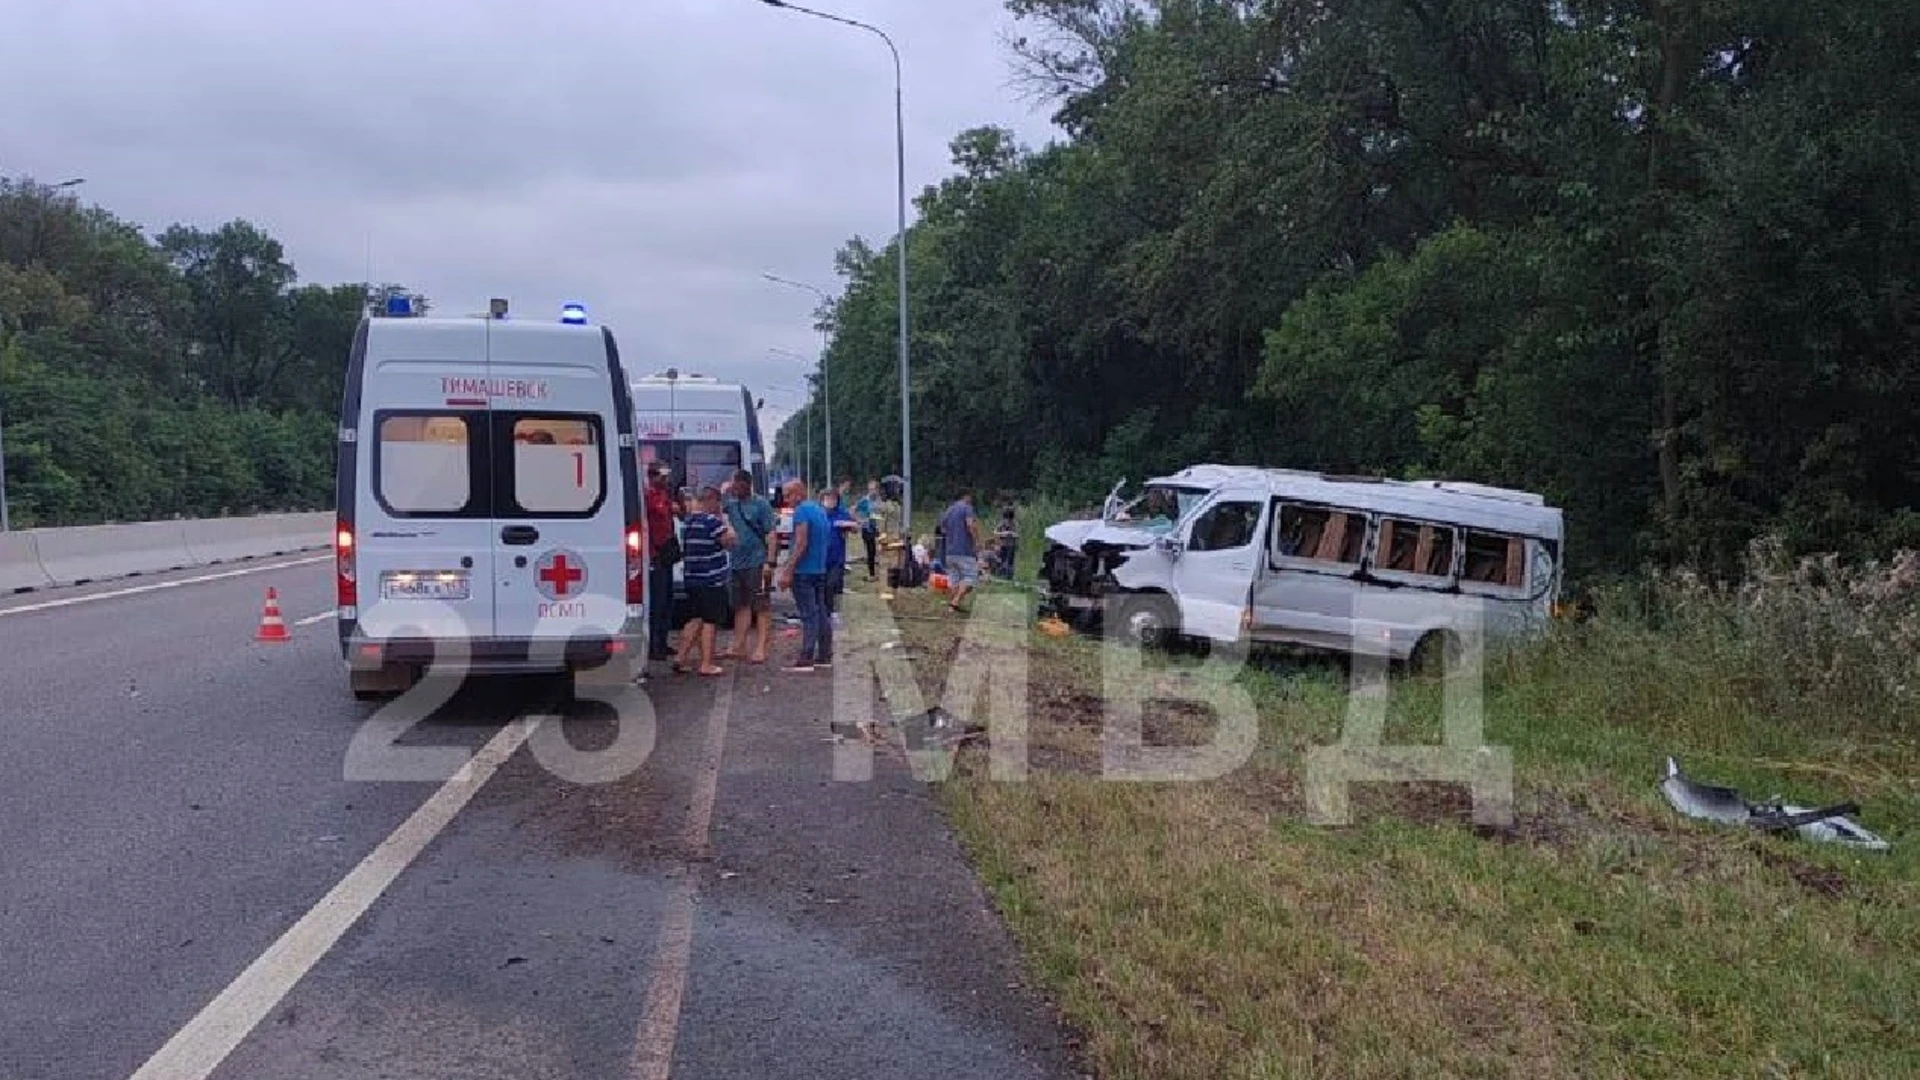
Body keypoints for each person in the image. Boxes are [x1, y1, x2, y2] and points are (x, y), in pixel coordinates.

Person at [673, 486, 733, 676]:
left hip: (691, 577)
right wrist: (726, 521)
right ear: (712, 500)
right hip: (710, 579)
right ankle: (707, 664)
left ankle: (680, 658)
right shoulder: (712, 522)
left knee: (694, 619)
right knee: (709, 621)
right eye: (718, 502)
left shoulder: (689, 522)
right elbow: (730, 542)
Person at [775, 478, 832, 671]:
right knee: (821, 612)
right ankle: (824, 654)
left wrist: (787, 570)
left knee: (808, 614)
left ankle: (806, 655)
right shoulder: (819, 510)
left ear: (799, 493)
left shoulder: (800, 512)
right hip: (819, 569)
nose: (786, 499)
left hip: (803, 571)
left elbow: (801, 543)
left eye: (788, 494)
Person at [722, 468, 776, 664]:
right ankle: (739, 645)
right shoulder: (731, 503)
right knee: (741, 605)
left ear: (745, 484)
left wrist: (770, 562)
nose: (734, 488)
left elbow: (771, 534)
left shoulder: (760, 504)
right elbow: (714, 505)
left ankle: (761, 647)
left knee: (760, 606)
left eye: (736, 484)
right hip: (737, 563)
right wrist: (725, 490)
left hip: (757, 562)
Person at [643, 461, 679, 660]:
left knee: (667, 601)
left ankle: (663, 642)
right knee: (656, 603)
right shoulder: (647, 497)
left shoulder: (665, 495)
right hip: (654, 555)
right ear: (652, 476)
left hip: (666, 554)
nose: (666, 480)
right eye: (662, 477)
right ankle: (653, 645)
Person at [938, 490, 983, 613]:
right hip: (964, 550)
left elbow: (942, 528)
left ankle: (952, 606)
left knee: (955, 579)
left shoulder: (949, 510)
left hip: (949, 551)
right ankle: (955, 602)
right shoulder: (967, 508)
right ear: (966, 496)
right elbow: (970, 525)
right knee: (970, 578)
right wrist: (976, 541)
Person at [821, 486, 860, 621]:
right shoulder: (819, 514)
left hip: (837, 557)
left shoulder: (841, 513)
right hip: (821, 557)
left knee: (834, 584)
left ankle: (835, 611)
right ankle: (825, 611)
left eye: (833, 499)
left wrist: (846, 524)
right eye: (827, 498)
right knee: (823, 586)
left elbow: (855, 527)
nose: (830, 501)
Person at [854, 479, 881, 581]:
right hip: (867, 529)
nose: (872, 491)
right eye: (870, 489)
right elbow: (853, 510)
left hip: (878, 528)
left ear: (878, 490)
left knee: (880, 551)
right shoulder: (864, 501)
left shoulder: (880, 501)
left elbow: (882, 514)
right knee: (871, 551)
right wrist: (860, 521)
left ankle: (881, 572)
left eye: (874, 489)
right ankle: (872, 574)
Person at [994, 503, 1018, 579]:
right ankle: (1001, 574)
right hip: (1003, 544)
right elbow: (995, 532)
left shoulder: (1014, 523)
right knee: (1002, 560)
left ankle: (1009, 575)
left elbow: (1017, 534)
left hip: (1011, 544)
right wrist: (1004, 533)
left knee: (1010, 561)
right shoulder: (1002, 523)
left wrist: (1012, 534)